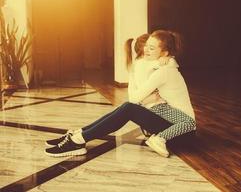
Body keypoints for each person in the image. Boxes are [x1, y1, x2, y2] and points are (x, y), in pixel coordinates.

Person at [45, 30, 196, 158]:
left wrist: (145, 99)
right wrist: (168, 60)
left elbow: (136, 98)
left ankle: (78, 139)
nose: (146, 51)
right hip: (168, 119)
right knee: (127, 107)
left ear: (164, 52)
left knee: (129, 108)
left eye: (152, 48)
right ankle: (78, 134)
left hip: (181, 133)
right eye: (147, 47)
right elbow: (139, 89)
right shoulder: (161, 65)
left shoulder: (164, 71)